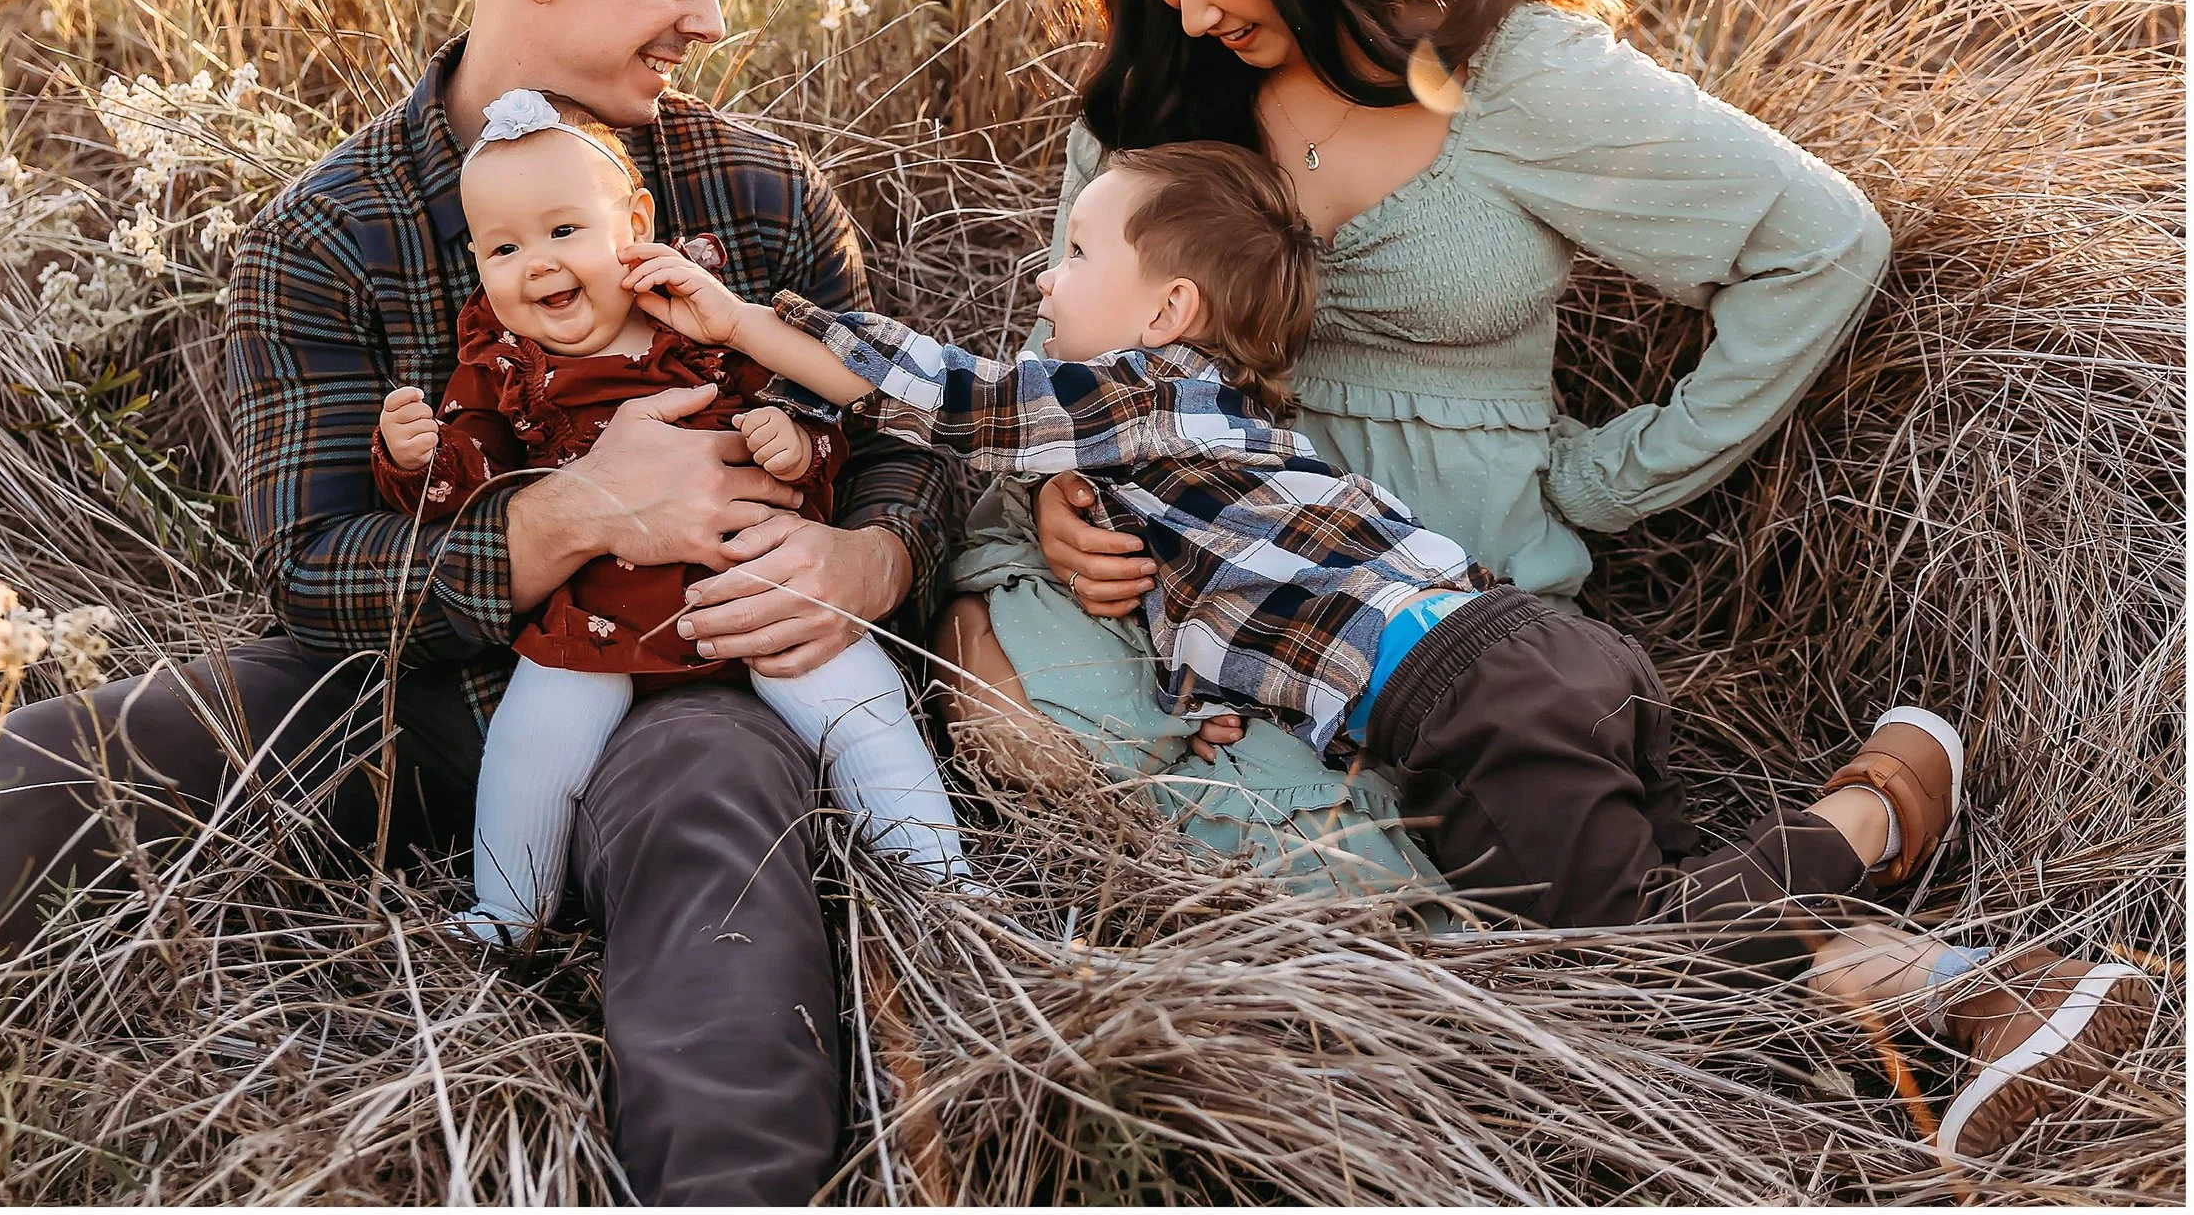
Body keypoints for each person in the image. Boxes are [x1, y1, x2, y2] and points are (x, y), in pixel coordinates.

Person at [0, 0, 955, 1205]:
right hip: (395, 693)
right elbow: (308, 567)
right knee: (55, 764)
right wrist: (584, 511)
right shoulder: (327, 230)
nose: (713, 19)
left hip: (687, 676)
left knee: (718, 852)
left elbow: (907, 427)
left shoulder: (760, 192)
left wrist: (871, 562)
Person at [626, 134, 2158, 1164]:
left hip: (1468, 694)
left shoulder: (1143, 388)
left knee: (1617, 950)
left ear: (1165, 308)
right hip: (1528, 656)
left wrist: (739, 320)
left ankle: (1875, 809)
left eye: (1073, 248)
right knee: (1689, 896)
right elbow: (1230, 612)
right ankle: (1986, 995)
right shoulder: (1204, 439)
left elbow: (941, 392)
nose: (1042, 275)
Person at [945, 0, 1894, 895]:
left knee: (1427, 885)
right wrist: (1062, 499)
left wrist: (1606, 478)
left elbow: (1819, 245)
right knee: (1001, 703)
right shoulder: (1152, 99)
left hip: (1432, 603)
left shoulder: (1515, 74)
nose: (1186, 15)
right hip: (1190, 578)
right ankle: (1871, 913)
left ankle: (1871, 868)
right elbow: (1060, 350)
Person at [373, 88, 966, 937]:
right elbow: (472, 491)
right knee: (532, 745)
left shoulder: (700, 328)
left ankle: (945, 886)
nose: (536, 262)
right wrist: (416, 455)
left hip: (753, 593)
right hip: (597, 622)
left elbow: (824, 418)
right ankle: (509, 911)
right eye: (503, 247)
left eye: (564, 230)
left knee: (859, 707)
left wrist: (791, 442)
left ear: (636, 226)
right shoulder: (503, 370)